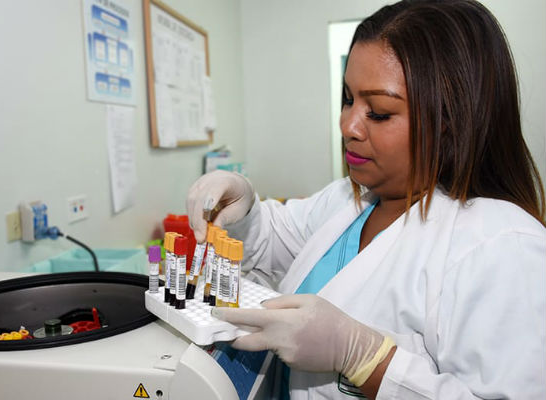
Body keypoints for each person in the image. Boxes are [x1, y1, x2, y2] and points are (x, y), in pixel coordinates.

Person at [186, 0, 546, 399]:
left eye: (377, 112)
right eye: (347, 98)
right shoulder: (350, 200)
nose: (348, 126)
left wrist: (365, 359)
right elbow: (278, 238)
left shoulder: (502, 247)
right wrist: (245, 208)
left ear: (449, 123)